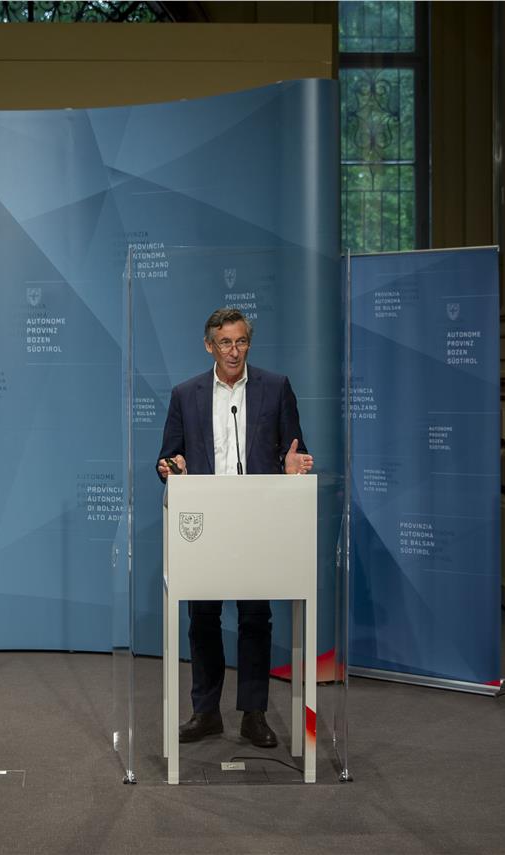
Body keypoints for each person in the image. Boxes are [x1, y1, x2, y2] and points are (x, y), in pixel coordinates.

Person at [156, 308, 313, 749]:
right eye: (225, 342)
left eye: (241, 341)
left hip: (257, 522)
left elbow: (295, 450)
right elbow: (168, 458)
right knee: (203, 618)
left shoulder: (275, 387)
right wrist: (172, 467)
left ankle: (253, 715)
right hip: (206, 525)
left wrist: (292, 466)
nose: (234, 350)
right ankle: (206, 712)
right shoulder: (185, 394)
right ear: (210, 346)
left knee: (255, 617)